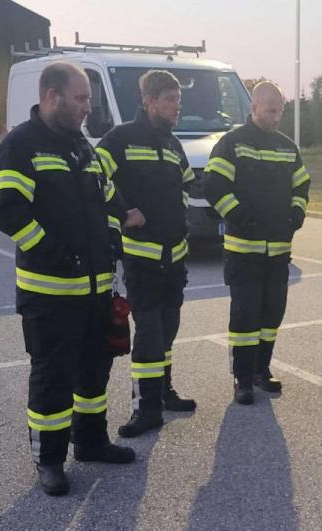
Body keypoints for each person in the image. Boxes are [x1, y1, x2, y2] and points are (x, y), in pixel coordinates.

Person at [0, 62, 136, 496]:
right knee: (52, 381)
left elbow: (111, 201)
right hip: (49, 295)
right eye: (81, 98)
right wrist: (52, 251)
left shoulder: (82, 147)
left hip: (95, 291)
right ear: (52, 96)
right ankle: (49, 460)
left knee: (94, 373)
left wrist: (113, 241)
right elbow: (4, 209)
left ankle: (90, 441)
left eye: (88, 98)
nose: (88, 107)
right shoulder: (21, 145)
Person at [97, 70, 197, 436]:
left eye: (178, 100)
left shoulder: (173, 145)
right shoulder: (121, 138)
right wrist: (122, 212)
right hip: (142, 260)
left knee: (167, 331)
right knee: (149, 335)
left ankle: (164, 392)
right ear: (149, 101)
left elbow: (187, 183)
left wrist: (180, 217)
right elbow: (94, 175)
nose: (176, 107)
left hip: (175, 260)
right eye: (170, 99)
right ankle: (145, 408)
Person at [202, 81, 309, 403]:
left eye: (279, 111)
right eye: (270, 111)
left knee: (272, 315)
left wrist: (296, 215)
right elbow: (214, 185)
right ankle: (243, 378)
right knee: (245, 317)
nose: (275, 117)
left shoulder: (288, 147)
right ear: (254, 108)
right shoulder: (232, 143)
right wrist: (240, 217)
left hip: (278, 252)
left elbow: (302, 186)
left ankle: (262, 370)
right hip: (243, 252)